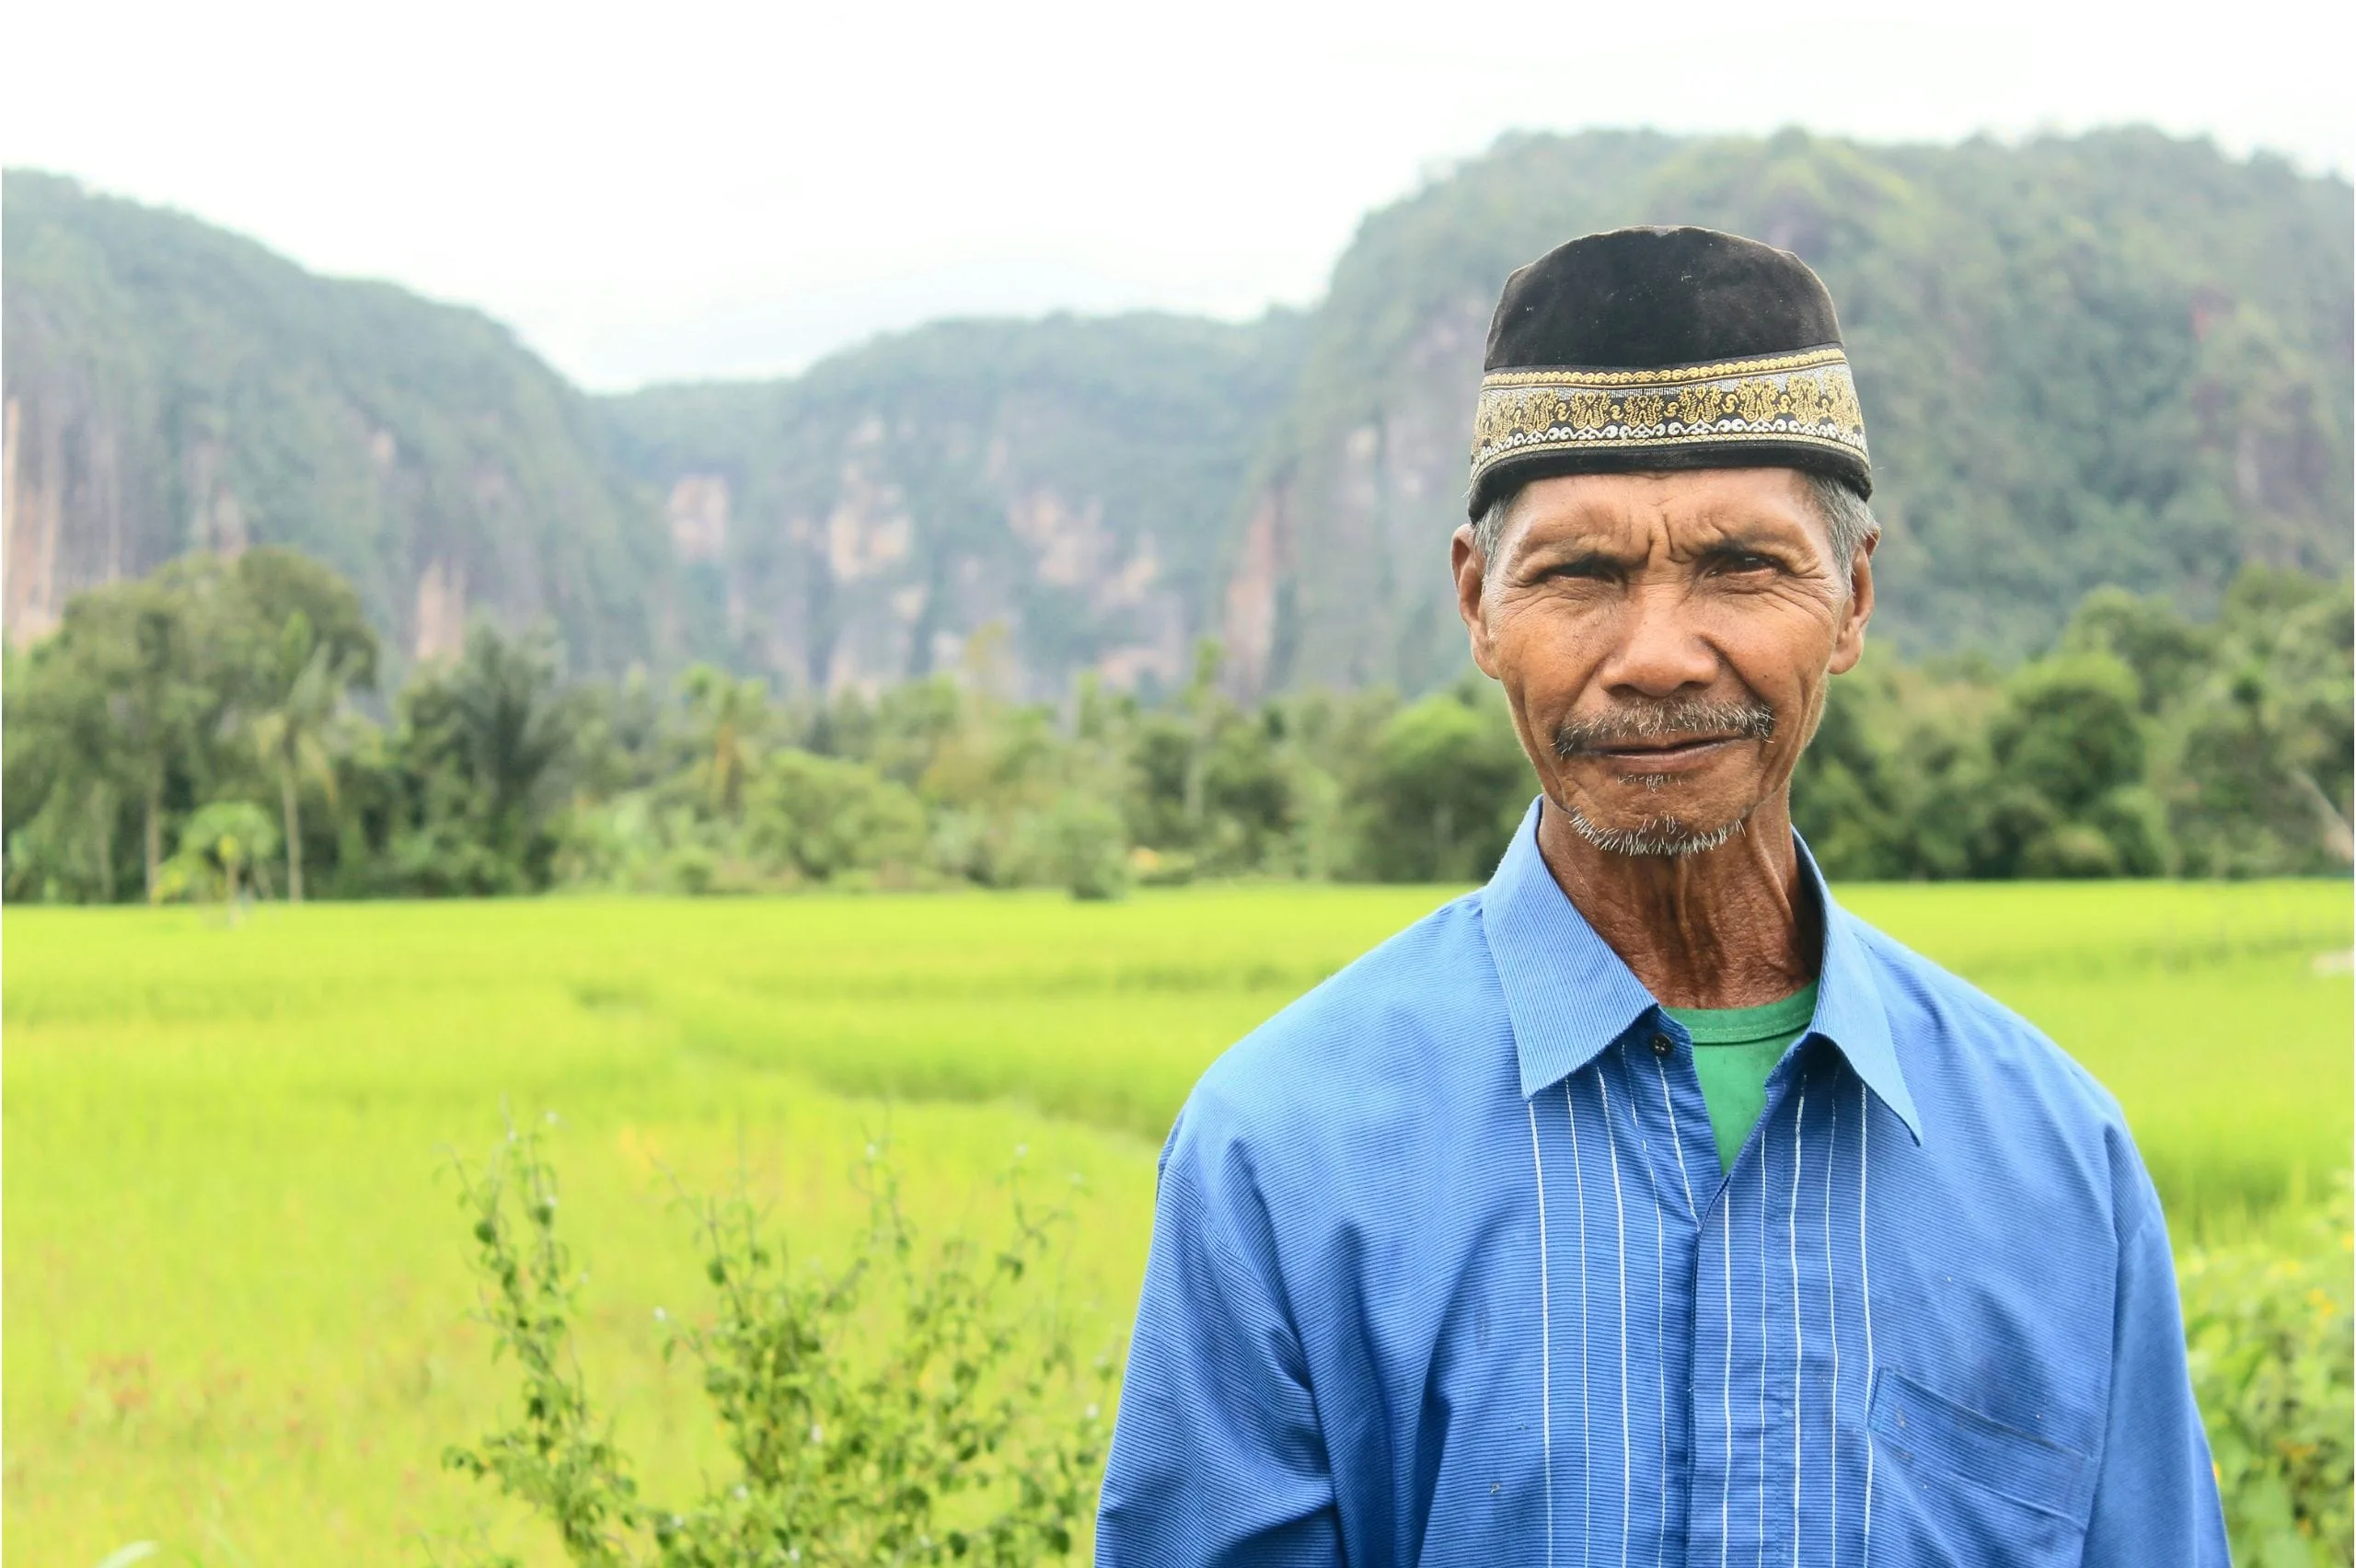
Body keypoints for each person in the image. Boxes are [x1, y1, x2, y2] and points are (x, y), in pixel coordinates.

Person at [1095, 226, 2227, 1567]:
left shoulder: (2056, 1161)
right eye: (1581, 575)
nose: (1656, 656)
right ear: (1478, 604)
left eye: (1743, 566)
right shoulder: (1278, 1156)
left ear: (1853, 599)